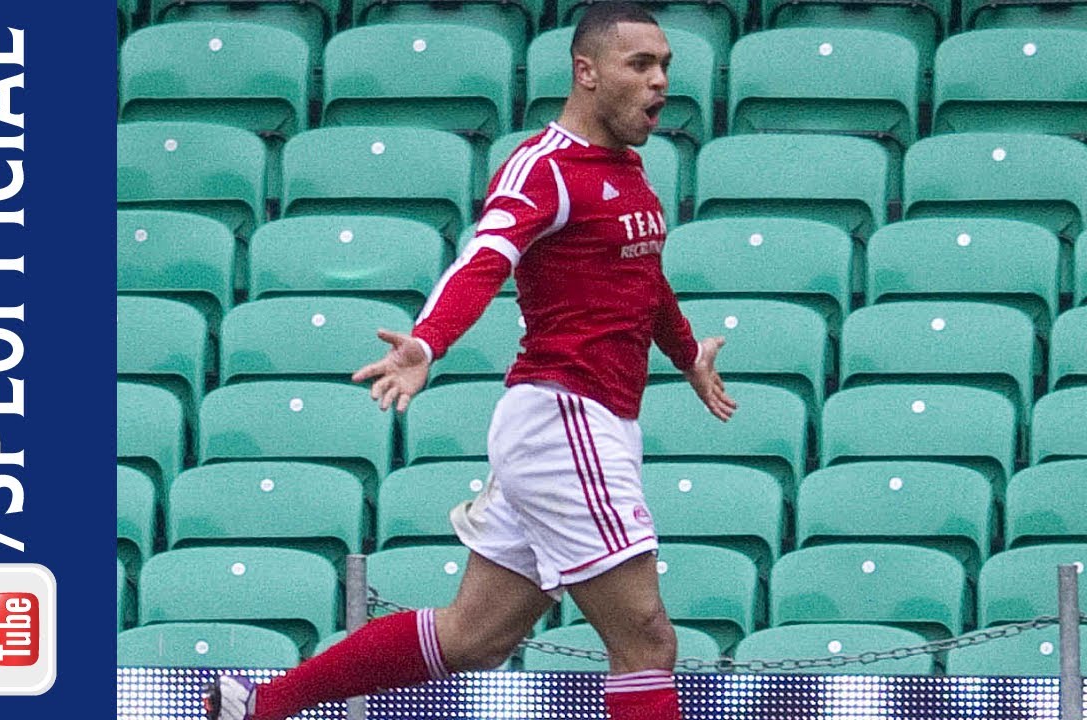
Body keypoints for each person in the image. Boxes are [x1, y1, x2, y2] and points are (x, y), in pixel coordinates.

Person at [205, 4, 736, 719]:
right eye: (640, 65)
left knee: (475, 637)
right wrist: (427, 342)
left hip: (575, 425)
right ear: (586, 72)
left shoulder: (627, 169)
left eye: (665, 65)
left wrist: (687, 354)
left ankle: (259, 706)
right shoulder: (544, 169)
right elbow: (486, 259)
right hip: (566, 420)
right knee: (646, 641)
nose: (661, 81)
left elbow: (642, 277)